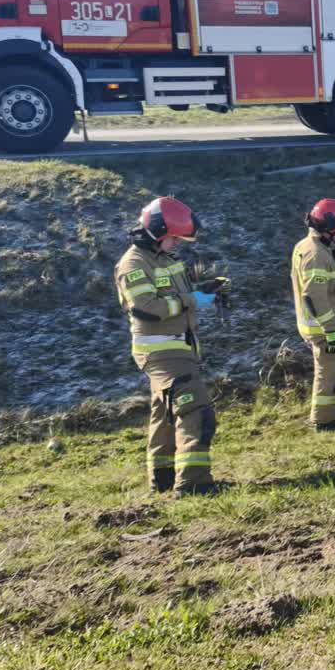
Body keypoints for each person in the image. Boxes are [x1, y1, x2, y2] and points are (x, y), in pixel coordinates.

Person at [112, 197, 224, 495]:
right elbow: (146, 307)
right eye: (175, 238)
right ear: (158, 232)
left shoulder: (165, 259)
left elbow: (176, 294)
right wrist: (191, 300)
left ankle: (162, 479)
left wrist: (202, 290)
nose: (178, 243)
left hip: (178, 347)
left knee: (164, 414)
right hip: (162, 351)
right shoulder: (133, 263)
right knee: (196, 411)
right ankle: (193, 484)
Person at [291, 198, 335, 429]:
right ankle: (323, 420)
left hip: (332, 327)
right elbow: (314, 297)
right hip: (324, 329)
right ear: (329, 225)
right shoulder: (315, 253)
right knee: (328, 372)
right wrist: (331, 331)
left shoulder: (314, 248)